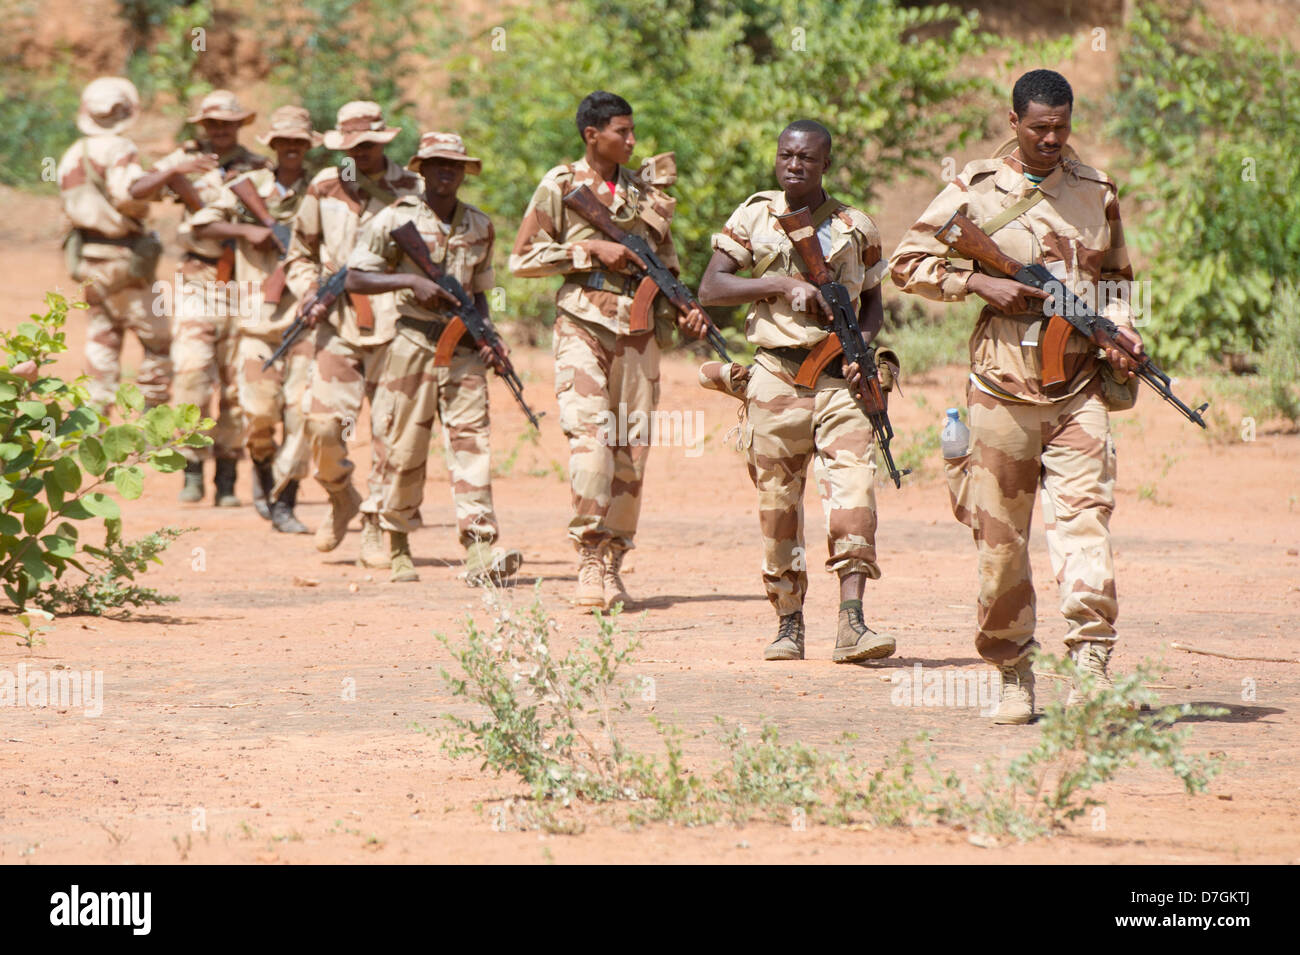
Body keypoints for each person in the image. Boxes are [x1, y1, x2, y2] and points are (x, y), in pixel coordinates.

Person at [890, 69, 1142, 723]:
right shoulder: (974, 189)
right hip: (1000, 388)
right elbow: (906, 263)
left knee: (1085, 523)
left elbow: (1116, 278)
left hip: (1077, 386)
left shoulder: (1096, 192)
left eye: (1062, 127)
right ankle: (1014, 672)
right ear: (1013, 124)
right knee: (1001, 544)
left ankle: (1091, 663)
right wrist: (976, 284)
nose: (1052, 139)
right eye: (1039, 129)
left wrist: (1123, 331)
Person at [697, 120, 898, 663]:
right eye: (786, 155)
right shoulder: (754, 214)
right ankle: (789, 624)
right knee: (778, 506)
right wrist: (781, 284)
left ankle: (852, 624)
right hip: (775, 380)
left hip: (840, 382)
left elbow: (874, 304)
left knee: (854, 493)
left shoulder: (857, 227)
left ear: (826, 163)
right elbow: (712, 287)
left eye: (807, 158)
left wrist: (862, 352)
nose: (794, 165)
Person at [509, 91, 706, 609]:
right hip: (583, 326)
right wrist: (589, 250)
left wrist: (686, 309)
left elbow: (667, 265)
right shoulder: (562, 185)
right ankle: (589, 559)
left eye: (633, 131)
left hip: (639, 334)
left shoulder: (645, 194)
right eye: (622, 132)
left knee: (630, 452)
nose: (633, 141)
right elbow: (521, 259)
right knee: (591, 442)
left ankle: (614, 560)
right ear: (592, 135)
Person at [345, 131, 525, 584]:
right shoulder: (394, 219)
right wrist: (410, 283)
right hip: (411, 346)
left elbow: (480, 293)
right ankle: (397, 541)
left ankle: (479, 548)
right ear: (421, 169)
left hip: (462, 349)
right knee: (403, 446)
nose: (447, 172)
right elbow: (356, 278)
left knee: (472, 446)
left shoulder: (480, 225)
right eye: (437, 164)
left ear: (465, 171)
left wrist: (489, 337)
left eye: (455, 165)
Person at [284, 101, 423, 562]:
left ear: (383, 143)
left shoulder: (411, 188)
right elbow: (300, 250)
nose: (359, 154)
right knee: (322, 425)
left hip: (396, 322)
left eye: (367, 146)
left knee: (391, 433)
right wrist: (307, 291)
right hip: (336, 323)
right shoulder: (323, 186)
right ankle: (340, 494)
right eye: (351, 147)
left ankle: (375, 525)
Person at [190, 106, 319, 533]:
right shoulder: (251, 187)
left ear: (308, 146)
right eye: (285, 143)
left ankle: (285, 501)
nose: (293, 149)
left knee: (302, 416)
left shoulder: (321, 190)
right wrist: (252, 232)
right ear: (274, 146)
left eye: (300, 143)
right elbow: (201, 223)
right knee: (259, 415)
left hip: (305, 321)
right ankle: (262, 478)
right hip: (255, 322)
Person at [159, 90, 271, 505]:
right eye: (212, 124)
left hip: (244, 282)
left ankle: (226, 477)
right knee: (191, 374)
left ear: (240, 125)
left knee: (239, 385)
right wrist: (178, 169)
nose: (219, 131)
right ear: (202, 127)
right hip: (197, 280)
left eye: (227, 123)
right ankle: (191, 467)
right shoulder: (186, 160)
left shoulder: (260, 168)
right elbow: (138, 187)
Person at [57, 77, 187, 411]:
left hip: (88, 258)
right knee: (158, 343)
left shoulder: (74, 153)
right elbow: (128, 193)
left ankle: (93, 424)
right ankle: (150, 423)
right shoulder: (121, 149)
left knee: (102, 337)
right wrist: (170, 173)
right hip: (125, 258)